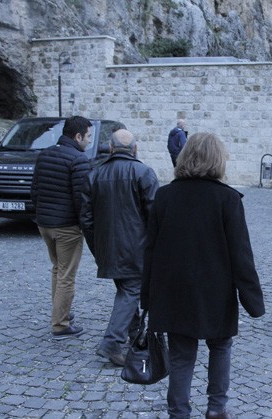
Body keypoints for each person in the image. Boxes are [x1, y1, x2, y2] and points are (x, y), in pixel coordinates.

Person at [141, 132, 265, 419]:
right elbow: (241, 254)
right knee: (220, 347)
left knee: (181, 355)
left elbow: (150, 250)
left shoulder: (165, 196)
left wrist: (147, 297)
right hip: (215, 290)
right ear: (218, 160)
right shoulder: (227, 198)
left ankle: (179, 412)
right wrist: (253, 299)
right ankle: (216, 408)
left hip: (175, 289)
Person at [80, 128, 160, 366]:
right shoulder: (144, 173)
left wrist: (97, 248)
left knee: (127, 290)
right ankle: (112, 343)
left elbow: (86, 219)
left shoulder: (94, 174)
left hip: (108, 248)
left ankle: (135, 334)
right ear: (135, 149)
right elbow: (155, 216)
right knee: (130, 291)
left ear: (111, 148)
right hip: (136, 249)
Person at [31, 115, 92, 339]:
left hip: (45, 224)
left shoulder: (45, 154)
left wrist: (41, 214)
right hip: (67, 227)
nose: (89, 141)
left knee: (57, 269)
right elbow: (81, 199)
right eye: (88, 136)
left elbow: (34, 190)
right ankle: (61, 324)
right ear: (78, 136)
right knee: (66, 274)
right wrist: (85, 226)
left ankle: (61, 311)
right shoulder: (79, 160)